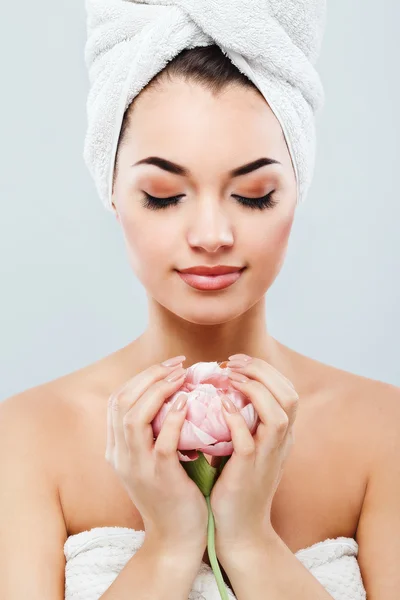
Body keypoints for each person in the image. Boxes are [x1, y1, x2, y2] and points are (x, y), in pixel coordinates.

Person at [1, 37, 399, 600]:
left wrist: (251, 541)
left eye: (254, 195)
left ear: (296, 192)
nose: (212, 235)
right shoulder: (26, 437)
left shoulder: (385, 431)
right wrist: (168, 544)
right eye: (164, 196)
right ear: (113, 192)